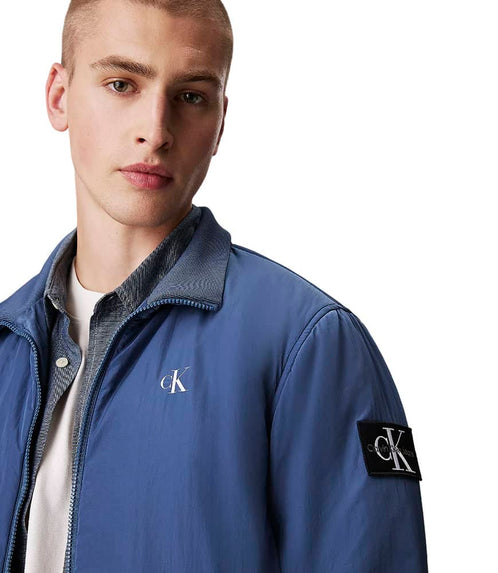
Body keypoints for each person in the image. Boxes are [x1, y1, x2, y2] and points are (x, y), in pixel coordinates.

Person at [0, 0, 428, 571]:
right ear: (59, 96)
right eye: (122, 84)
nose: (155, 131)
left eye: (190, 97)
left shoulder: (310, 344)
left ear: (220, 121)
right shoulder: (7, 345)